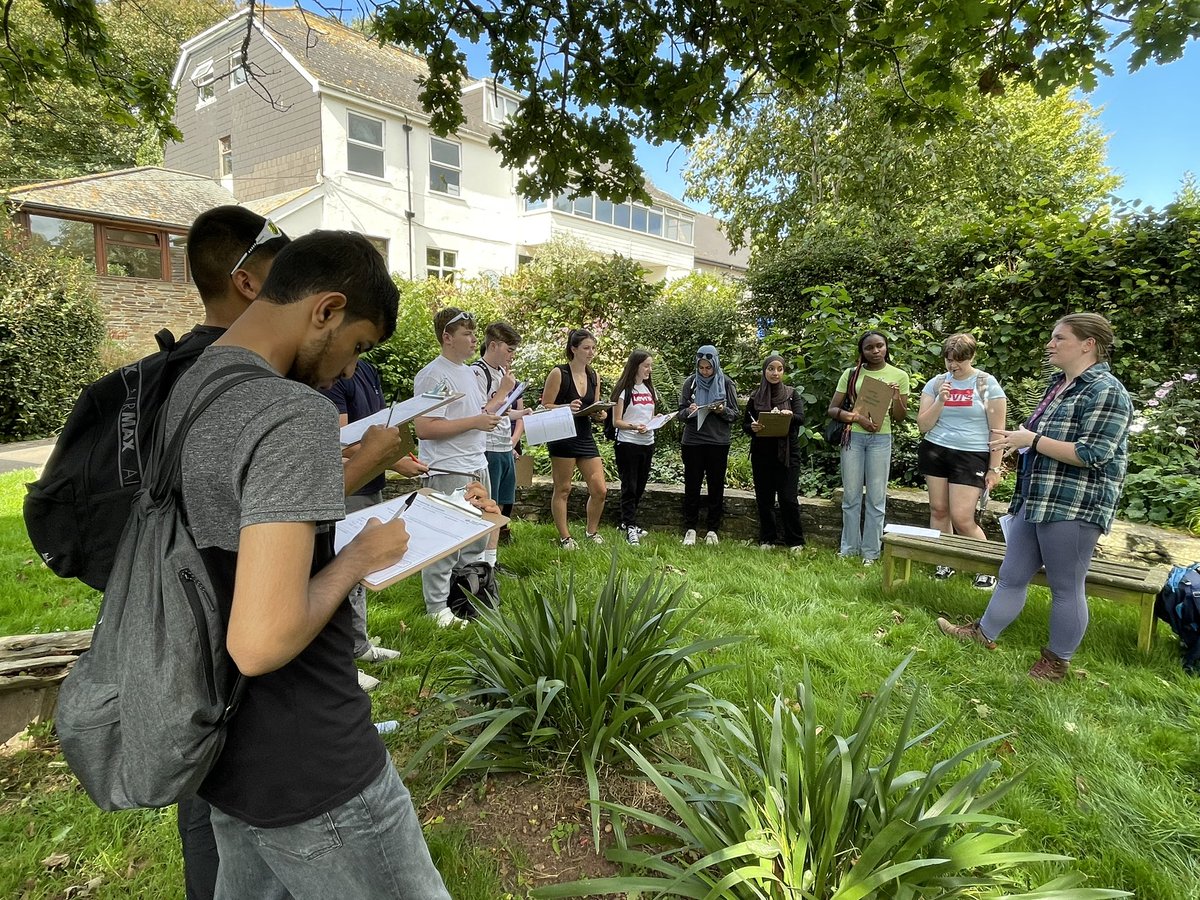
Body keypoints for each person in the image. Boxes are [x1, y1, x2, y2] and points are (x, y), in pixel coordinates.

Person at [163, 230, 450, 898]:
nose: (351, 371)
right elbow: (261, 641)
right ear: (324, 309)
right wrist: (356, 559)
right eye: (359, 346)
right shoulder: (290, 411)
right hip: (312, 756)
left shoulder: (191, 385)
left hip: (224, 744)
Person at [938, 313, 1134, 682]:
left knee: (1065, 586)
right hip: (1037, 496)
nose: (1051, 344)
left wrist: (1032, 441)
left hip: (1075, 503)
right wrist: (1017, 440)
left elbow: (1093, 454)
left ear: (1087, 344)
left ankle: (1056, 663)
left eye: (1059, 338)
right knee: (1012, 574)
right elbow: (1038, 436)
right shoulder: (1059, 384)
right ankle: (983, 634)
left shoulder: (1106, 391)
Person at [321, 359, 430, 691]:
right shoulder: (333, 373)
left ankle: (359, 646)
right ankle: (342, 663)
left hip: (371, 482)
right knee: (342, 570)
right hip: (348, 486)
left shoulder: (367, 369)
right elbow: (342, 439)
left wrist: (396, 458)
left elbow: (379, 429)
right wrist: (396, 461)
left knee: (360, 575)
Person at [412, 308, 505, 626]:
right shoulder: (433, 374)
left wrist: (489, 413)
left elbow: (472, 414)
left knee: (475, 539)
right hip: (448, 468)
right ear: (447, 338)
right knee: (445, 541)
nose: (473, 339)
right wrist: (476, 421)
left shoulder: (469, 373)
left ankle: (464, 598)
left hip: (476, 464)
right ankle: (437, 607)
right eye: (466, 334)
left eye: (473, 333)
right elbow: (424, 427)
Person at [915, 333, 1007, 588]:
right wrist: (942, 400)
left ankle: (986, 567)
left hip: (971, 454)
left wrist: (995, 468)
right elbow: (923, 425)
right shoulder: (936, 384)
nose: (953, 366)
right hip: (936, 450)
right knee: (939, 510)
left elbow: (998, 430)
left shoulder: (986, 384)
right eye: (949, 360)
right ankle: (946, 561)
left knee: (963, 517)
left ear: (972, 357)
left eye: (959, 361)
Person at [826, 330, 910, 565]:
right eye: (869, 347)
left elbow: (901, 417)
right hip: (853, 438)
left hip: (881, 439)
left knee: (876, 498)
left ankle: (871, 553)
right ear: (861, 351)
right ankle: (849, 548)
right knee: (851, 496)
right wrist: (857, 418)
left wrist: (895, 397)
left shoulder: (899, 375)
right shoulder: (851, 374)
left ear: (886, 347)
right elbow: (833, 409)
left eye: (880, 346)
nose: (875, 351)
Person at [540, 328, 608, 548]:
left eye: (593, 348)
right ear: (573, 349)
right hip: (562, 435)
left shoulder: (594, 375)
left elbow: (594, 407)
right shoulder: (559, 373)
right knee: (563, 488)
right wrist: (565, 407)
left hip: (585, 436)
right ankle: (565, 537)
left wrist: (600, 414)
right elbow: (545, 406)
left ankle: (591, 532)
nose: (591, 352)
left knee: (600, 489)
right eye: (586, 348)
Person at [473, 321, 529, 555]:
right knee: (489, 504)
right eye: (509, 349)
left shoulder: (501, 373)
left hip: (505, 447)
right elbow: (479, 412)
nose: (512, 355)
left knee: (504, 502)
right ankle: (482, 558)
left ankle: (493, 558)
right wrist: (506, 390)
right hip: (488, 448)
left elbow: (501, 410)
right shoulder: (477, 372)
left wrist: (521, 413)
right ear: (493, 345)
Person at [743, 353, 805, 552]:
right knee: (765, 499)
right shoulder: (755, 396)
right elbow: (745, 424)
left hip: (787, 454)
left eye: (779, 369)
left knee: (788, 498)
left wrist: (790, 416)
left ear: (784, 371)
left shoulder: (791, 394)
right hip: (762, 455)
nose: (775, 373)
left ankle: (795, 541)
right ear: (764, 371)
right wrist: (752, 427)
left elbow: (801, 418)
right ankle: (767, 538)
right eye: (771, 369)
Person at [678, 344, 740, 546]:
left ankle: (713, 529)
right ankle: (690, 528)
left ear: (715, 365)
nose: (705, 371)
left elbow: (735, 415)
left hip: (718, 442)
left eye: (708, 368)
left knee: (715, 486)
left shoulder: (727, 383)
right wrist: (690, 411)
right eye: (702, 367)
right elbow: (680, 413)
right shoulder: (691, 383)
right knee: (692, 485)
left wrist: (721, 410)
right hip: (693, 442)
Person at [610, 349, 658, 546]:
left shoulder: (650, 390)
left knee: (639, 485)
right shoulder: (624, 391)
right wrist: (633, 427)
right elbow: (616, 421)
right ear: (635, 366)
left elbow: (650, 415)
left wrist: (656, 421)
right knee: (629, 486)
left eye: (650, 366)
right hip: (628, 443)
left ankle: (626, 522)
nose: (649, 370)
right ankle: (630, 526)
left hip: (648, 443)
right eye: (646, 366)